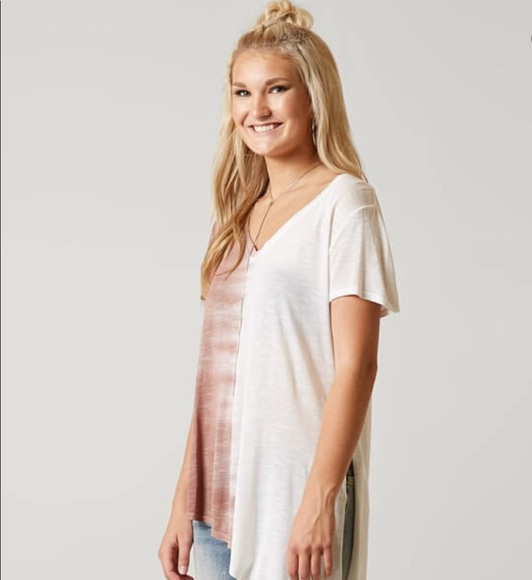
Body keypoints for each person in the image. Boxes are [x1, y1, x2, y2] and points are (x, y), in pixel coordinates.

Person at [158, 2, 400, 579]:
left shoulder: (345, 204)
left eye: (277, 89)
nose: (257, 109)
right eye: (242, 93)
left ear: (314, 98)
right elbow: (217, 378)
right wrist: (181, 503)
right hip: (213, 511)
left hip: (292, 499)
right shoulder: (234, 217)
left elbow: (358, 365)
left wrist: (319, 500)